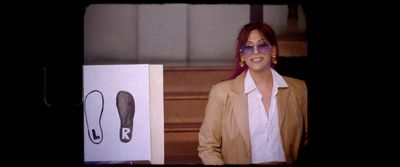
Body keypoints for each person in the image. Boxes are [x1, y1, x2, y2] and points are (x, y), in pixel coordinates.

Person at [198, 22, 308, 165]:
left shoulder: (299, 89)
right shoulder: (221, 93)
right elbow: (208, 147)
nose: (255, 52)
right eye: (248, 47)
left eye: (262, 45)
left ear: (273, 51)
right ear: (242, 55)